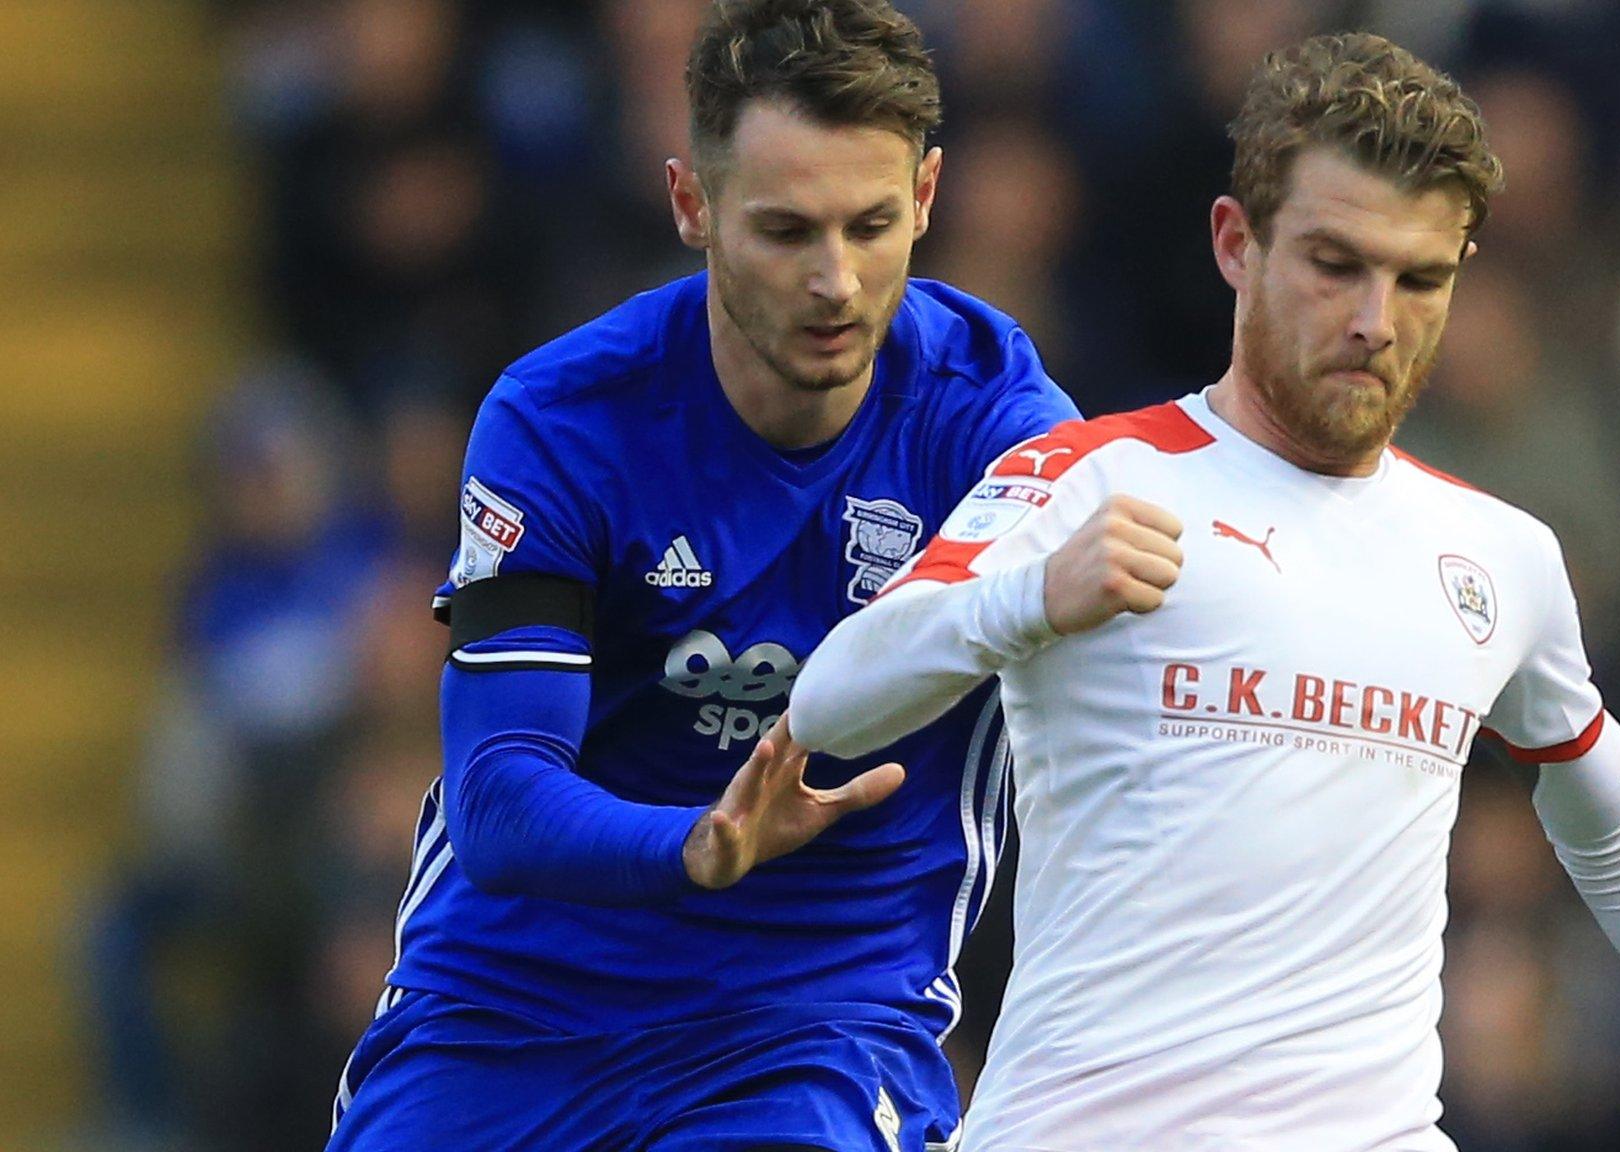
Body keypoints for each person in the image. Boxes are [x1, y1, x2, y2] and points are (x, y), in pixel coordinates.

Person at [712, 31, 1620, 1152]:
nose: (1374, 320)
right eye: (1333, 262)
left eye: (1418, 278)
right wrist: (1026, 603)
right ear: (1234, 242)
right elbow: (831, 702)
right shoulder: (1086, 477)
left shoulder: (1495, 553)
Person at [324, 2, 1078, 1150]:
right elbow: (495, 796)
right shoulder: (563, 421)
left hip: (813, 1021)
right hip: (514, 1006)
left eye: (871, 226)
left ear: (927, 198)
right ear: (693, 205)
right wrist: (699, 845)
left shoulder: (998, 433)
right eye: (785, 232)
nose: (836, 280)